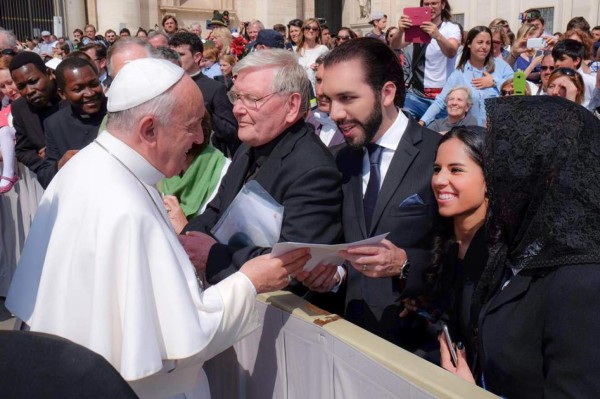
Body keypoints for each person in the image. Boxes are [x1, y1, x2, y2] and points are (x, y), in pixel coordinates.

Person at [5, 57, 311, 398]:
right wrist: (249, 281)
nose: (199, 139)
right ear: (149, 130)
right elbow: (184, 338)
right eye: (192, 125)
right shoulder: (124, 207)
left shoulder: (91, 167)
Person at [440, 95, 600, 398]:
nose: (494, 175)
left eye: (505, 160)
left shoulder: (584, 279)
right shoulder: (519, 248)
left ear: (546, 172)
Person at [308, 38, 441, 349]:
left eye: (348, 98)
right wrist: (334, 275)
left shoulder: (438, 155)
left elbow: (466, 255)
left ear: (387, 93)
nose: (336, 114)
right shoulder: (340, 158)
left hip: (418, 346)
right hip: (349, 338)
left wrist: (407, 265)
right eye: (329, 99)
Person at [180, 49, 342, 288]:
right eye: (236, 97)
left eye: (252, 99)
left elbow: (294, 266)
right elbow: (216, 211)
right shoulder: (249, 145)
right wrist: (184, 242)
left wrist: (213, 256)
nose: (237, 109)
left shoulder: (313, 171)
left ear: (292, 105)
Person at [426, 126, 487, 367]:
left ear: (489, 177)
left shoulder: (504, 254)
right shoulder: (444, 241)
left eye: (456, 170)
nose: (440, 180)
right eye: (437, 169)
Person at [35, 57, 106, 189]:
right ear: (62, 94)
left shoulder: (117, 111)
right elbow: (45, 177)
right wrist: (61, 163)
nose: (90, 93)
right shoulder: (54, 123)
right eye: (78, 89)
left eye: (94, 84)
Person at [420, 26, 513, 127]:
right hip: (472, 133)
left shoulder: (502, 66)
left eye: (488, 43)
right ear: (469, 44)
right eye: (480, 42)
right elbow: (440, 101)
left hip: (500, 130)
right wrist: (422, 122)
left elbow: (520, 88)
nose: (484, 47)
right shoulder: (459, 74)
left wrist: (495, 81)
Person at [169, 32, 239, 157]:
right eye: (171, 54)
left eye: (180, 55)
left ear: (197, 57)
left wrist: (205, 112)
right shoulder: (165, 86)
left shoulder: (215, 89)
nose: (174, 59)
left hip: (203, 158)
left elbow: (232, 132)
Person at [393, 0, 461, 121]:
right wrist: (400, 30)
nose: (430, 7)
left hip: (442, 98)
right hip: (416, 96)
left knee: (438, 137)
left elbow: (451, 52)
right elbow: (395, 45)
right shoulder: (416, 27)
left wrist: (437, 35)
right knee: (404, 131)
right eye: (426, 4)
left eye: (434, 3)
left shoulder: (451, 28)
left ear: (443, 5)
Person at [9, 52, 61, 177]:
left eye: (33, 81)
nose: (29, 91)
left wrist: (54, 152)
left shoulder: (68, 95)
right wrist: (44, 165)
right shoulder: (19, 108)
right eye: (21, 86)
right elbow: (23, 150)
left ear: (48, 74)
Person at [305, 54, 344, 148]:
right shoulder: (311, 119)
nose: (319, 91)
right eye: (318, 80)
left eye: (329, 81)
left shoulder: (357, 129)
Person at [552, 39, 596, 107]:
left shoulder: (591, 82)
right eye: (555, 60)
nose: (556, 63)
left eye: (562, 59)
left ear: (576, 61)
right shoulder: (553, 79)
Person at [0, 56, 19, 193]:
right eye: (2, 86)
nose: (8, 89)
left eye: (10, 82)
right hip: (16, 184)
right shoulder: (5, 112)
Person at [296, 18, 328, 93]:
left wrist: (320, 68)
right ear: (303, 30)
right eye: (307, 28)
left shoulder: (323, 49)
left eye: (314, 29)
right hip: (298, 92)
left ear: (318, 33)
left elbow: (329, 71)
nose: (311, 30)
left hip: (315, 93)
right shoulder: (296, 50)